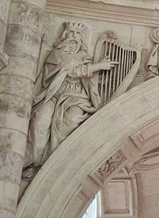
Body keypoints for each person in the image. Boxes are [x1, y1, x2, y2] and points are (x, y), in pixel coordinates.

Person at [27, 22, 115, 164]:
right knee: (39, 121)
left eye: (77, 35)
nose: (74, 38)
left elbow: (90, 79)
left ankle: (55, 159)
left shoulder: (86, 57)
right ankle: (34, 160)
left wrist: (99, 69)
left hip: (77, 98)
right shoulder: (57, 55)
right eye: (70, 34)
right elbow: (70, 70)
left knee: (72, 120)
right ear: (63, 38)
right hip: (53, 95)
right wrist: (97, 66)